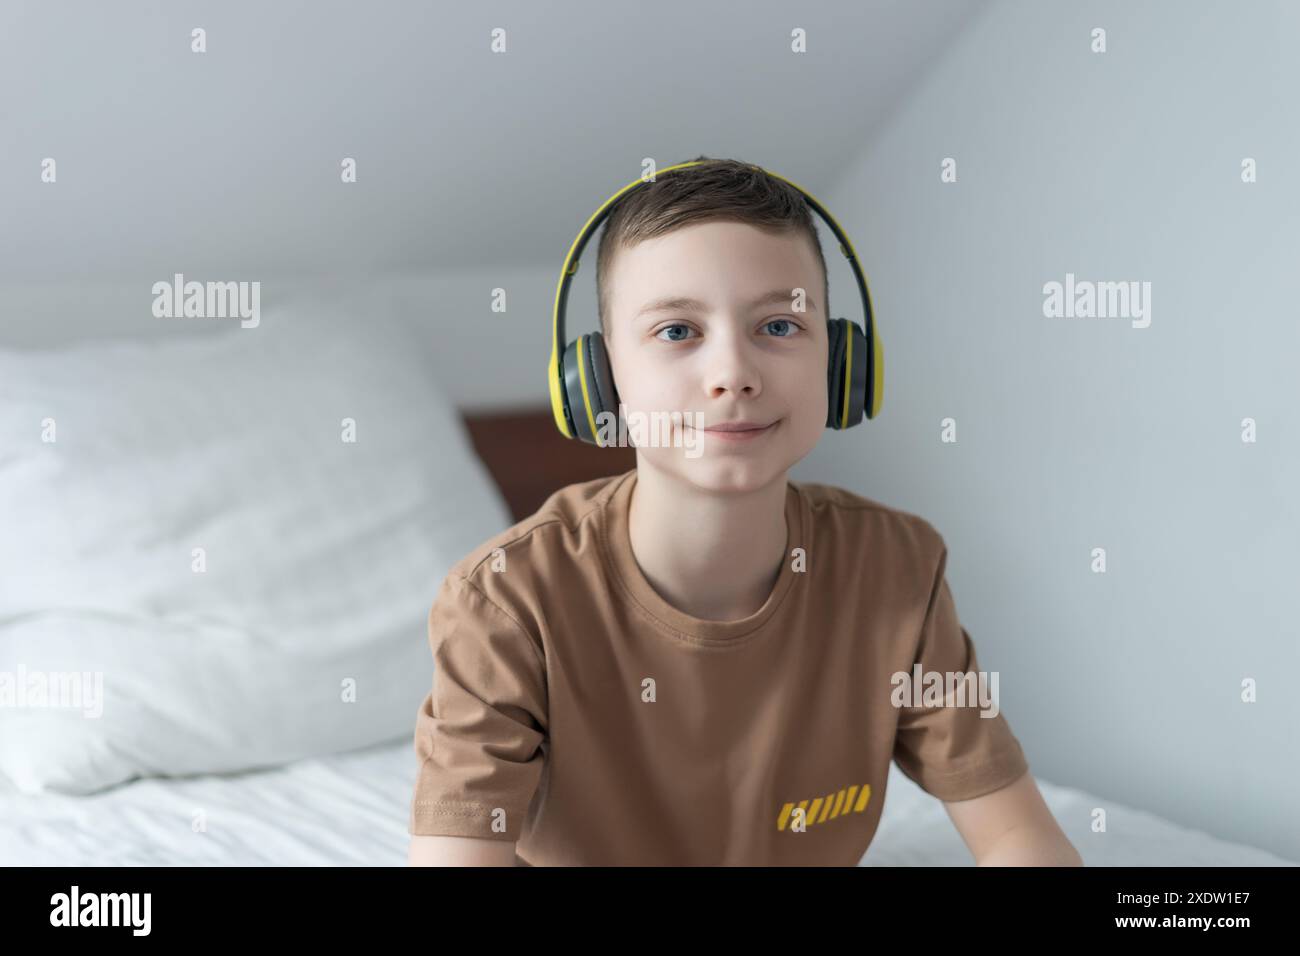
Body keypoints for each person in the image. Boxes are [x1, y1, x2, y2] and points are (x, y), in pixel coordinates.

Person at [407, 156, 1081, 866]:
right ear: (601, 381)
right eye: (676, 331)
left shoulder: (896, 568)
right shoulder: (506, 601)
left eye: (780, 326)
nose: (734, 374)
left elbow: (1016, 837)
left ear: (842, 362)